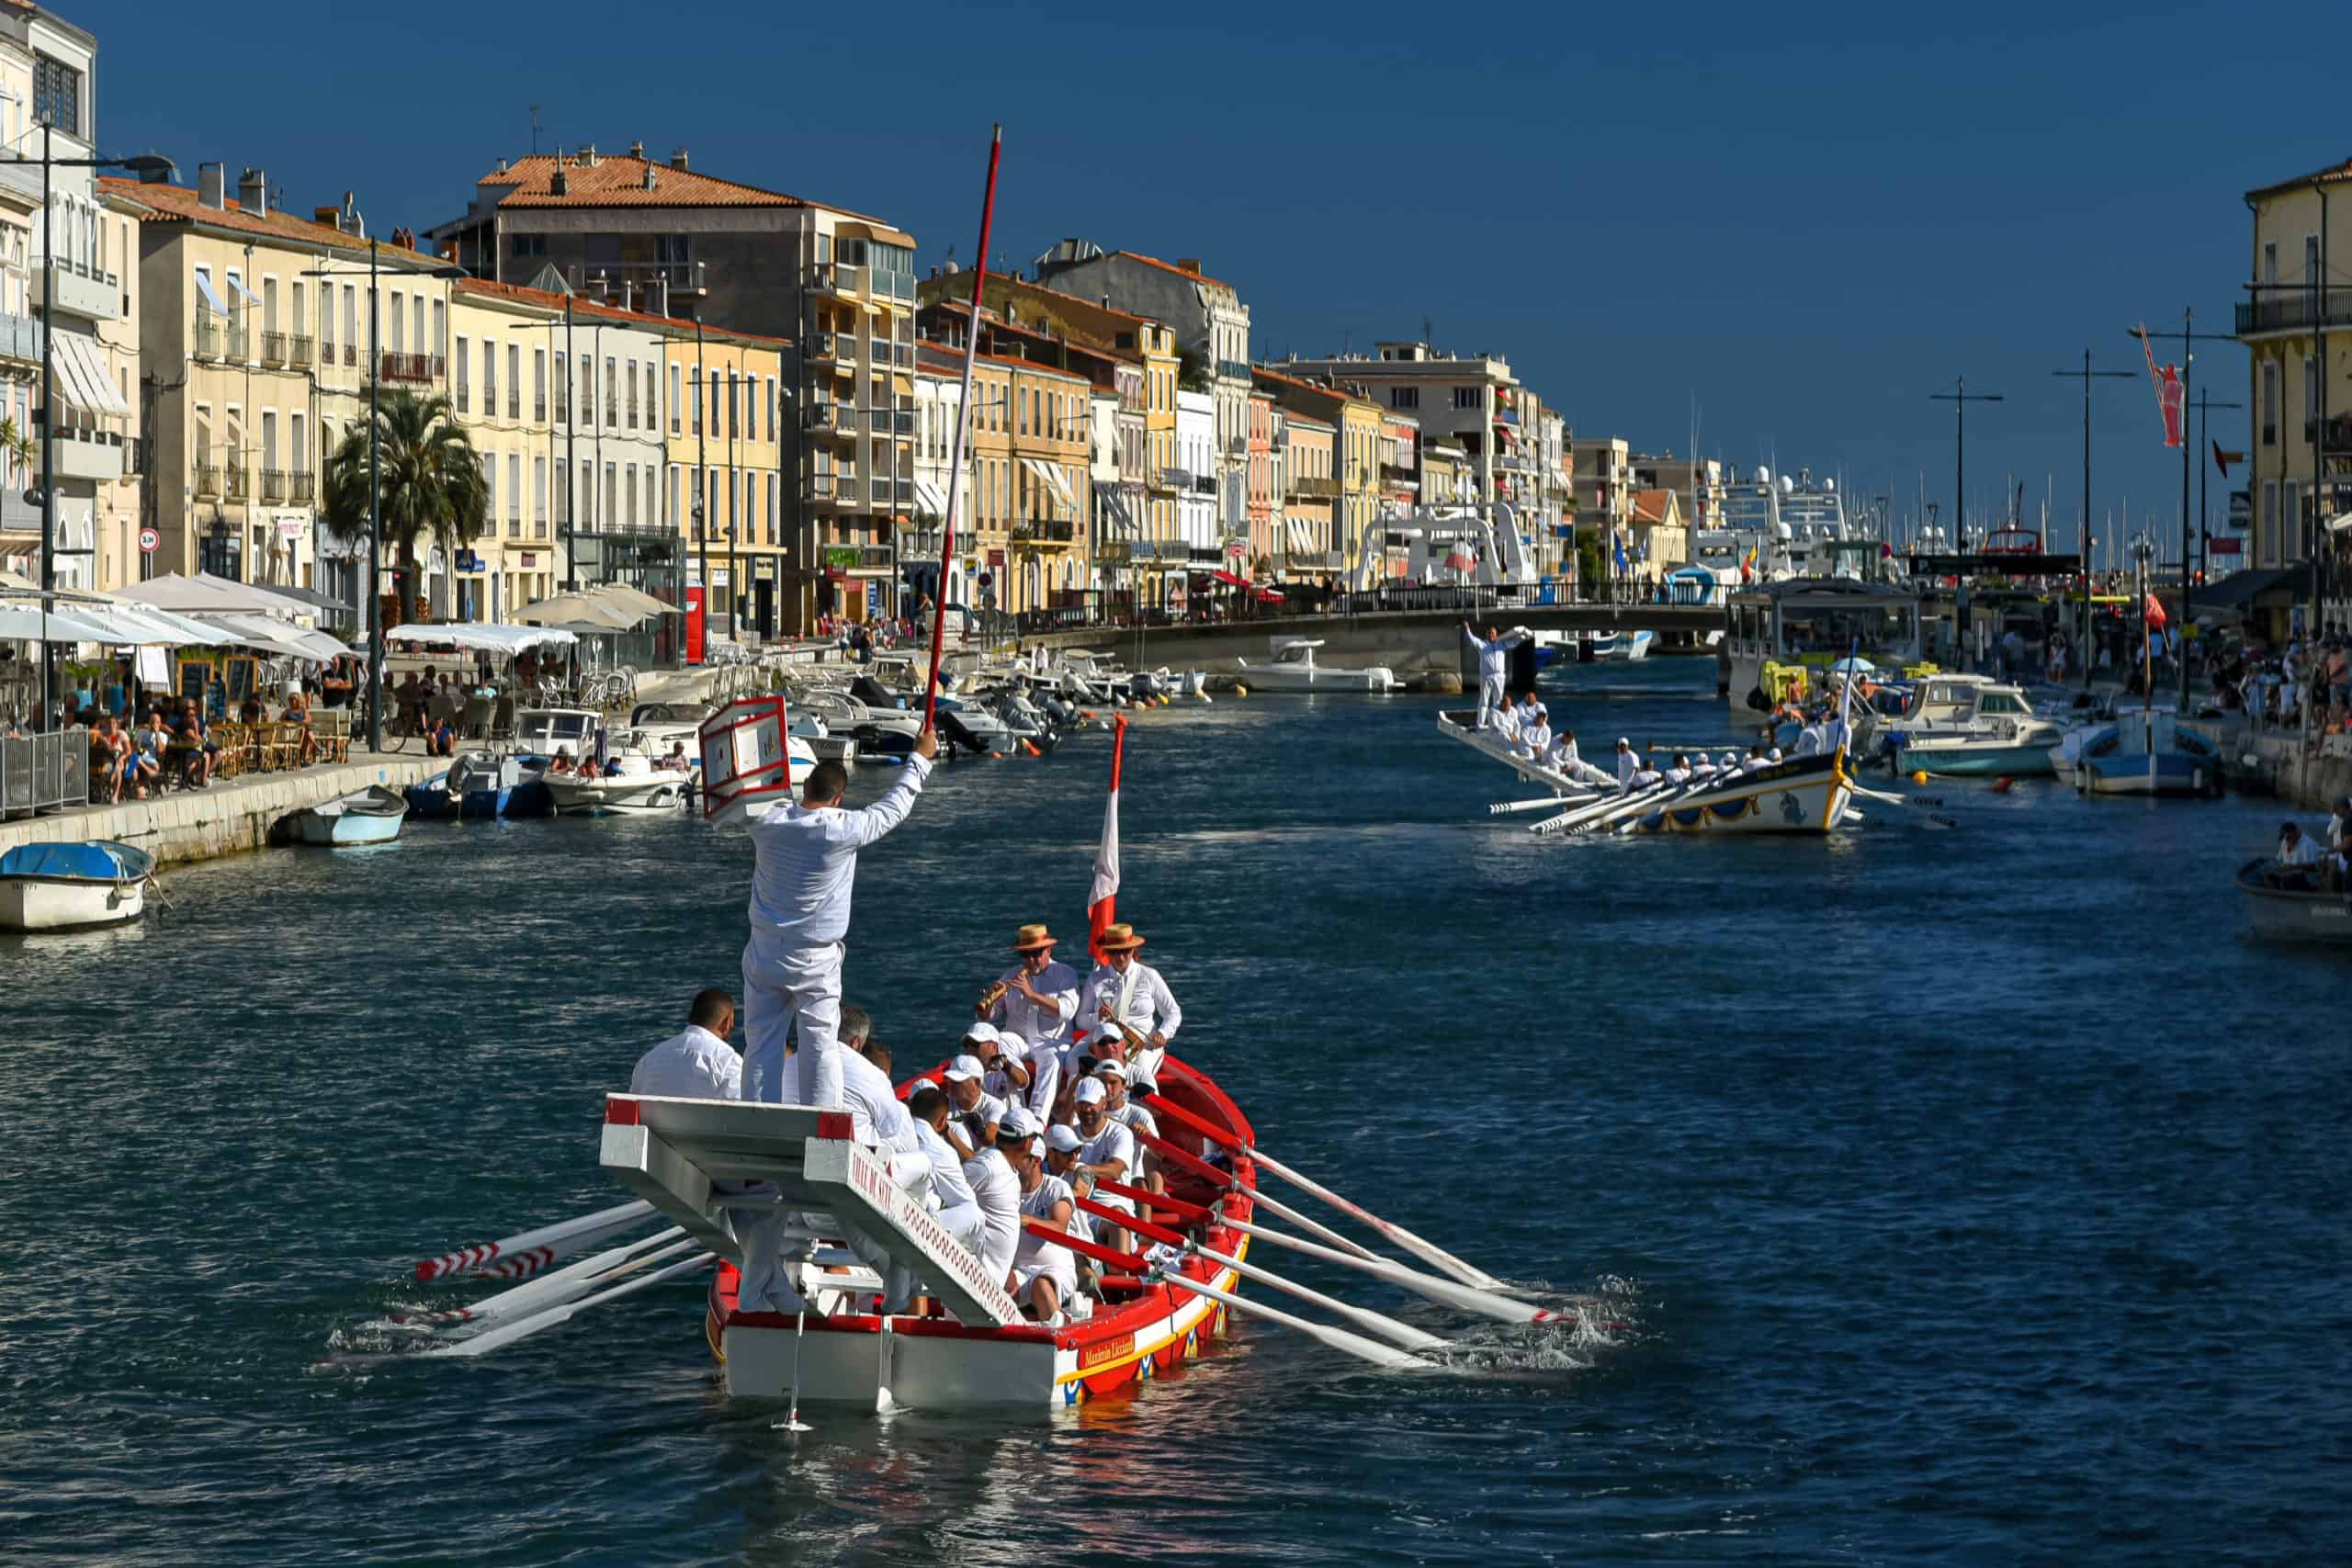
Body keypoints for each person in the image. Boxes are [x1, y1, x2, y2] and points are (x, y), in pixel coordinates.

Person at [739, 727, 938, 1111]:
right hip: (814, 957)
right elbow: (895, 807)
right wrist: (920, 758)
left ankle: (757, 1120)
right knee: (819, 1046)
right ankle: (821, 1123)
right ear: (838, 798)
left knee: (761, 1043)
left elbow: (741, 798)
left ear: (805, 788)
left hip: (764, 949)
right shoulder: (841, 829)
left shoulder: (767, 820)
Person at [1078, 923, 1181, 1086]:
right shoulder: (1095, 979)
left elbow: (1173, 1012)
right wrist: (1097, 1017)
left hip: (1142, 1046)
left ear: (1133, 950)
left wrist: (1163, 1033)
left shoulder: (1149, 976)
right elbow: (1081, 1020)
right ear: (1107, 952)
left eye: (1125, 951)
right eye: (1114, 952)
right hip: (1105, 1043)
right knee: (1073, 1061)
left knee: (1139, 1078)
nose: (1120, 957)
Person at [1008, 1128, 1080, 1323]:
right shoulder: (1006, 1188)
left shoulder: (1056, 1187)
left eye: (1020, 1155)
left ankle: (1059, 1334)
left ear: (1036, 1161)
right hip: (1019, 1271)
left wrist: (1027, 1220)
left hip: (1056, 1269)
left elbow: (1060, 1228)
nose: (1012, 1159)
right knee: (994, 1286)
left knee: (1041, 1286)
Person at [980, 923, 1080, 1062]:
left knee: (1052, 1060)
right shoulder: (1010, 975)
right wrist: (990, 1000)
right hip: (1018, 1039)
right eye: (1025, 955)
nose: (1031, 960)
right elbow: (988, 1018)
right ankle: (1014, 1075)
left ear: (1048, 951)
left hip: (1051, 1041)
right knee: (998, 1044)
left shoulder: (1065, 974)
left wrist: (1031, 995)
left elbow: (1067, 1011)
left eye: (1036, 954)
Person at [909, 1085, 988, 1253]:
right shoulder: (941, 1150)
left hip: (882, 1209)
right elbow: (965, 1202)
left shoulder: (893, 1131)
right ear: (942, 1121)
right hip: (914, 1227)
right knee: (976, 1215)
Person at [628, 988, 742, 1100]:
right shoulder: (728, 1061)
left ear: (691, 1017)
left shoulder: (647, 1060)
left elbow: (633, 1104)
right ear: (728, 1022)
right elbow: (739, 1107)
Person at [1069, 1078, 1136, 1254]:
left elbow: (1115, 1170)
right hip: (1076, 1211)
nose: (1086, 1109)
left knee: (1118, 1221)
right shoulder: (1069, 1135)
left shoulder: (1120, 1133)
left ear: (1104, 1103)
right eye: (1082, 1103)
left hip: (1110, 1206)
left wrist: (1081, 1168)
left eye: (1091, 1103)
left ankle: (1120, 1268)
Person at [965, 1102, 1025, 1289]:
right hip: (973, 1277)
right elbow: (946, 1191)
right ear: (1027, 1143)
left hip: (992, 1282)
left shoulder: (1007, 1168)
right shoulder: (987, 1166)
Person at [1462, 621, 1529, 728]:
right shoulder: (1482, 645)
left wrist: (1524, 635)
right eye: (1489, 633)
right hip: (1487, 676)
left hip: (1500, 676)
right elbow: (1472, 639)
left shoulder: (1501, 644)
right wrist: (1467, 629)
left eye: (1493, 633)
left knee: (1498, 701)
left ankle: (1496, 724)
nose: (1491, 635)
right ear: (1486, 634)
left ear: (1496, 634)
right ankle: (1480, 724)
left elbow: (1515, 642)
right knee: (1484, 700)